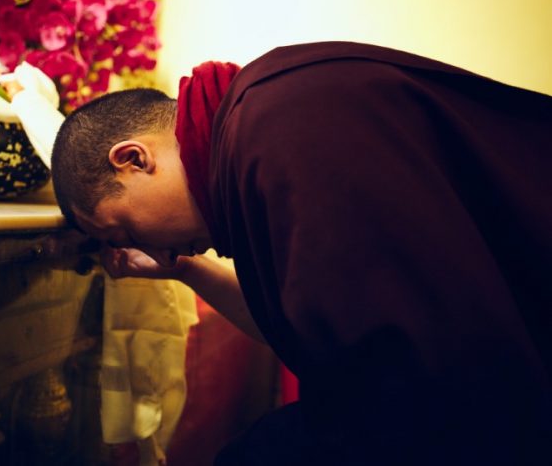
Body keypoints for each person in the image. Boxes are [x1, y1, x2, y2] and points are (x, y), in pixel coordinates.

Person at [51, 41, 551, 465]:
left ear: (134, 159)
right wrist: (187, 268)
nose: (149, 254)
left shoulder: (279, 124)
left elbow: (413, 388)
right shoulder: (252, 130)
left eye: (124, 232)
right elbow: (300, 330)